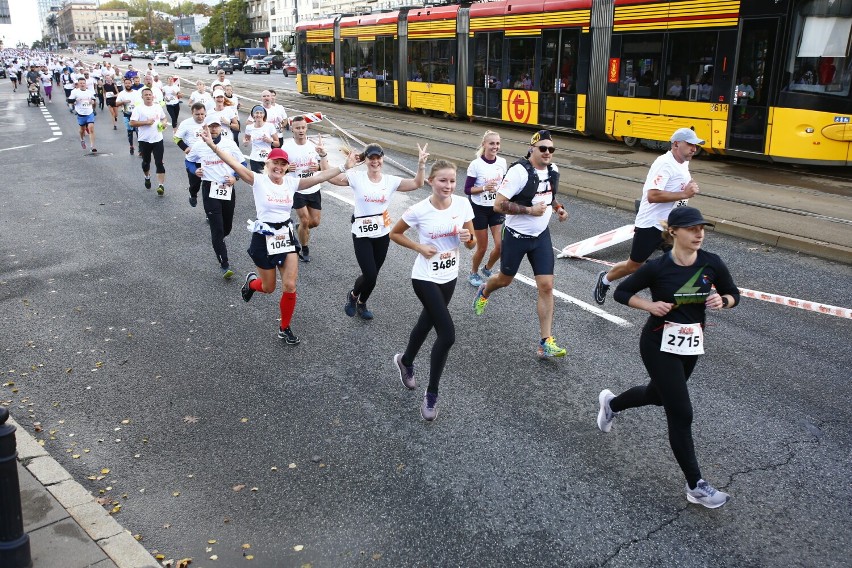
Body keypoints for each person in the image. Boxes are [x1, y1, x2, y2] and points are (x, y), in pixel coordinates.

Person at [596, 206, 739, 509]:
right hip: (658, 344)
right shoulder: (658, 267)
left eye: (702, 228)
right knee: (681, 411)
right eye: (692, 229)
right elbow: (622, 293)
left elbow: (733, 293)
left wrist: (722, 300)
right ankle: (696, 486)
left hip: (690, 346)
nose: (699, 234)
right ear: (674, 231)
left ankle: (612, 404)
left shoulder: (711, 263)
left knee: (657, 395)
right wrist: (649, 306)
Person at [197, 132, 358, 344]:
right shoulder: (258, 180)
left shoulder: (291, 183)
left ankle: (284, 327)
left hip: (285, 235)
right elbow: (235, 163)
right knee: (268, 288)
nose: (279, 167)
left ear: (286, 167)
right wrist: (212, 146)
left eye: (283, 164)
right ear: (268, 163)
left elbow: (318, 177)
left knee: (290, 285)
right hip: (263, 237)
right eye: (276, 163)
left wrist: (344, 167)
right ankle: (251, 284)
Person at [390, 159, 475, 421]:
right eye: (442, 180)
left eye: (451, 181)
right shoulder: (419, 209)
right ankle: (432, 394)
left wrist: (468, 239)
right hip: (425, 277)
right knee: (447, 335)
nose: (448, 185)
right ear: (431, 182)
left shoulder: (463, 204)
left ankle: (405, 361)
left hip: (449, 276)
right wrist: (419, 247)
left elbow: (471, 245)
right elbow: (395, 233)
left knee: (426, 323)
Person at [472, 130, 569, 358]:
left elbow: (548, 194)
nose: (547, 153)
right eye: (543, 148)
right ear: (532, 148)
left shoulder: (553, 171)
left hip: (541, 237)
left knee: (546, 286)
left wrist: (558, 208)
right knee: (504, 280)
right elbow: (498, 205)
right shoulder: (518, 172)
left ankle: (545, 342)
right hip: (515, 236)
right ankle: (485, 290)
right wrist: (529, 211)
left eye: (551, 149)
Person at [593, 128, 703, 305]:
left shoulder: (682, 162)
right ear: (676, 144)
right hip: (651, 224)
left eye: (696, 146)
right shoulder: (664, 164)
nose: (694, 149)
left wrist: (686, 187)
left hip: (671, 225)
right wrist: (684, 194)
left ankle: (677, 300)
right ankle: (605, 279)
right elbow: (652, 195)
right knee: (634, 265)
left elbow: (677, 185)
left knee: (683, 259)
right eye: (690, 144)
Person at [326, 142, 429, 319]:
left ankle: (362, 302)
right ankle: (352, 296)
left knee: (373, 275)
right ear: (365, 160)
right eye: (371, 158)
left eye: (378, 158)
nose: (375, 162)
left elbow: (417, 184)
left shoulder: (390, 181)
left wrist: (421, 165)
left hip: (382, 234)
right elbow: (331, 178)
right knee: (370, 274)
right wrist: (324, 158)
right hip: (362, 234)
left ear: (383, 159)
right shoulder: (356, 177)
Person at [185, 116, 246, 279]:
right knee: (217, 228)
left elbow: (243, 164)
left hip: (227, 188)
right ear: (205, 127)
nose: (213, 129)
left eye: (216, 126)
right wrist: (194, 171)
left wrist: (235, 177)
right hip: (209, 188)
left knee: (227, 227)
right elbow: (189, 161)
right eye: (210, 126)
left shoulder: (229, 144)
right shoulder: (198, 145)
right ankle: (224, 263)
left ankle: (219, 240)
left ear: (221, 128)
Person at [281, 115, 327, 263]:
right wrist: (287, 169)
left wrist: (318, 166)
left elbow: (325, 166)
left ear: (306, 128)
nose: (300, 130)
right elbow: (276, 168)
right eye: (297, 128)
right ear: (292, 129)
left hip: (313, 187)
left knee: (315, 222)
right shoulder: (286, 147)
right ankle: (304, 247)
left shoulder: (314, 145)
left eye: (303, 127)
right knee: (306, 221)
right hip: (297, 188)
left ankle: (299, 228)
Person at [465, 130, 507, 287]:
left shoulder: (502, 162)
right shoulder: (476, 165)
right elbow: (467, 189)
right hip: (479, 209)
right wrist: (483, 188)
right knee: (482, 247)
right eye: (491, 143)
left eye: (497, 143)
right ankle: (473, 273)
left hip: (496, 208)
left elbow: (505, 184)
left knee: (501, 245)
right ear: (484, 144)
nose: (495, 146)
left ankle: (487, 268)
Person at [129, 87, 169, 195]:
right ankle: (147, 176)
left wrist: (164, 123)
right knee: (146, 162)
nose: (148, 96)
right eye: (145, 95)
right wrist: (146, 122)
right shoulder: (138, 109)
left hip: (158, 139)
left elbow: (164, 118)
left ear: (153, 96)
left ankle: (161, 186)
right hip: (144, 140)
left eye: (149, 94)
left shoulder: (157, 107)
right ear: (142, 97)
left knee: (159, 162)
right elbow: (132, 123)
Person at [174, 102, 207, 207]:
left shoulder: (209, 122)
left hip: (208, 160)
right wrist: (185, 148)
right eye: (197, 114)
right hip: (193, 160)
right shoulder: (186, 123)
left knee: (209, 187)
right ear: (192, 113)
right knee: (195, 185)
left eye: (202, 114)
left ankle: (209, 212)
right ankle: (193, 194)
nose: (200, 117)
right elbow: (176, 138)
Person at [243, 105, 279, 173]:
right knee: (258, 181)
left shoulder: (270, 126)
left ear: (264, 115)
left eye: (261, 113)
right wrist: (245, 143)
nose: (259, 115)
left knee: (269, 180)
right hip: (255, 158)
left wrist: (270, 141)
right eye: (256, 113)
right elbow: (245, 140)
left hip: (268, 159)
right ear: (253, 115)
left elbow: (277, 143)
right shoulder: (249, 127)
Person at [67, 76, 97, 152]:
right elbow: (69, 101)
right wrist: (75, 99)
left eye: (84, 83)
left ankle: (92, 146)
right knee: (82, 130)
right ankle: (82, 139)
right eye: (81, 83)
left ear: (85, 84)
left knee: (91, 128)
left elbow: (93, 99)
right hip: (81, 114)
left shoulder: (89, 92)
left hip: (89, 113)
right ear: (78, 84)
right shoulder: (75, 92)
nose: (82, 84)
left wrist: (93, 101)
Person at [115, 77, 140, 155]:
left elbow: (141, 102)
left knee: (138, 132)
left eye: (129, 83)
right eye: (126, 83)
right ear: (124, 84)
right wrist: (123, 102)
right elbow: (116, 104)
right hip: (127, 114)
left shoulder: (136, 92)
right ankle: (131, 146)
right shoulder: (121, 93)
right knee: (130, 132)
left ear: (131, 83)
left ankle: (140, 149)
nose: (128, 85)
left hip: (136, 115)